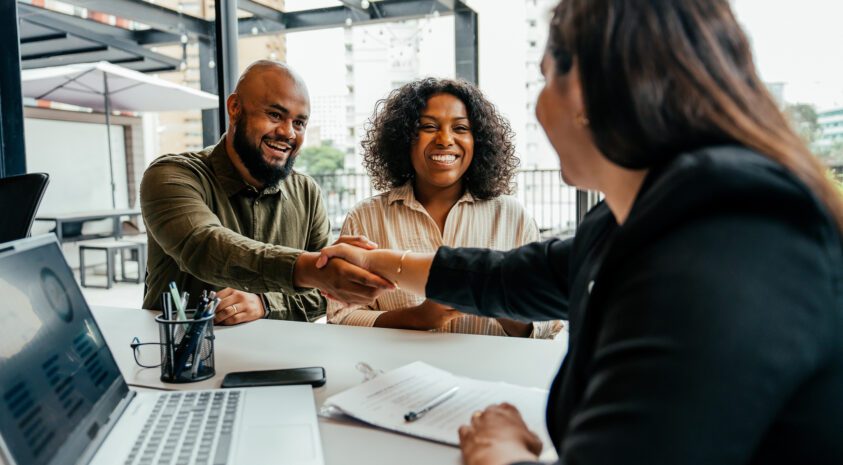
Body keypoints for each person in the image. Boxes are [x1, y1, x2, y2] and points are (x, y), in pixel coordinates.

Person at [315, 0, 843, 463]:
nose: (541, 107)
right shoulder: (629, 217)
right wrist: (378, 261)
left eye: (546, 77)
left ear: (593, 93)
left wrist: (498, 454)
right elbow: (513, 276)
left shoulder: (724, 241)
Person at [140, 60, 392, 326]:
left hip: (281, 359)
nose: (287, 132)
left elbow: (326, 295)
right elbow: (205, 247)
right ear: (235, 108)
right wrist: (310, 269)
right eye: (274, 115)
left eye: (299, 123)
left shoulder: (306, 192)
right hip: (184, 356)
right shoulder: (171, 175)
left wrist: (267, 303)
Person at [328, 78, 560, 338]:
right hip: (394, 373)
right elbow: (341, 317)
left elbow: (547, 325)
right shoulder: (366, 217)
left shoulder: (512, 216)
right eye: (428, 126)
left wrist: (494, 297)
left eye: (461, 128)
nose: (445, 139)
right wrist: (416, 318)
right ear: (404, 138)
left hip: (491, 376)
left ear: (478, 141)